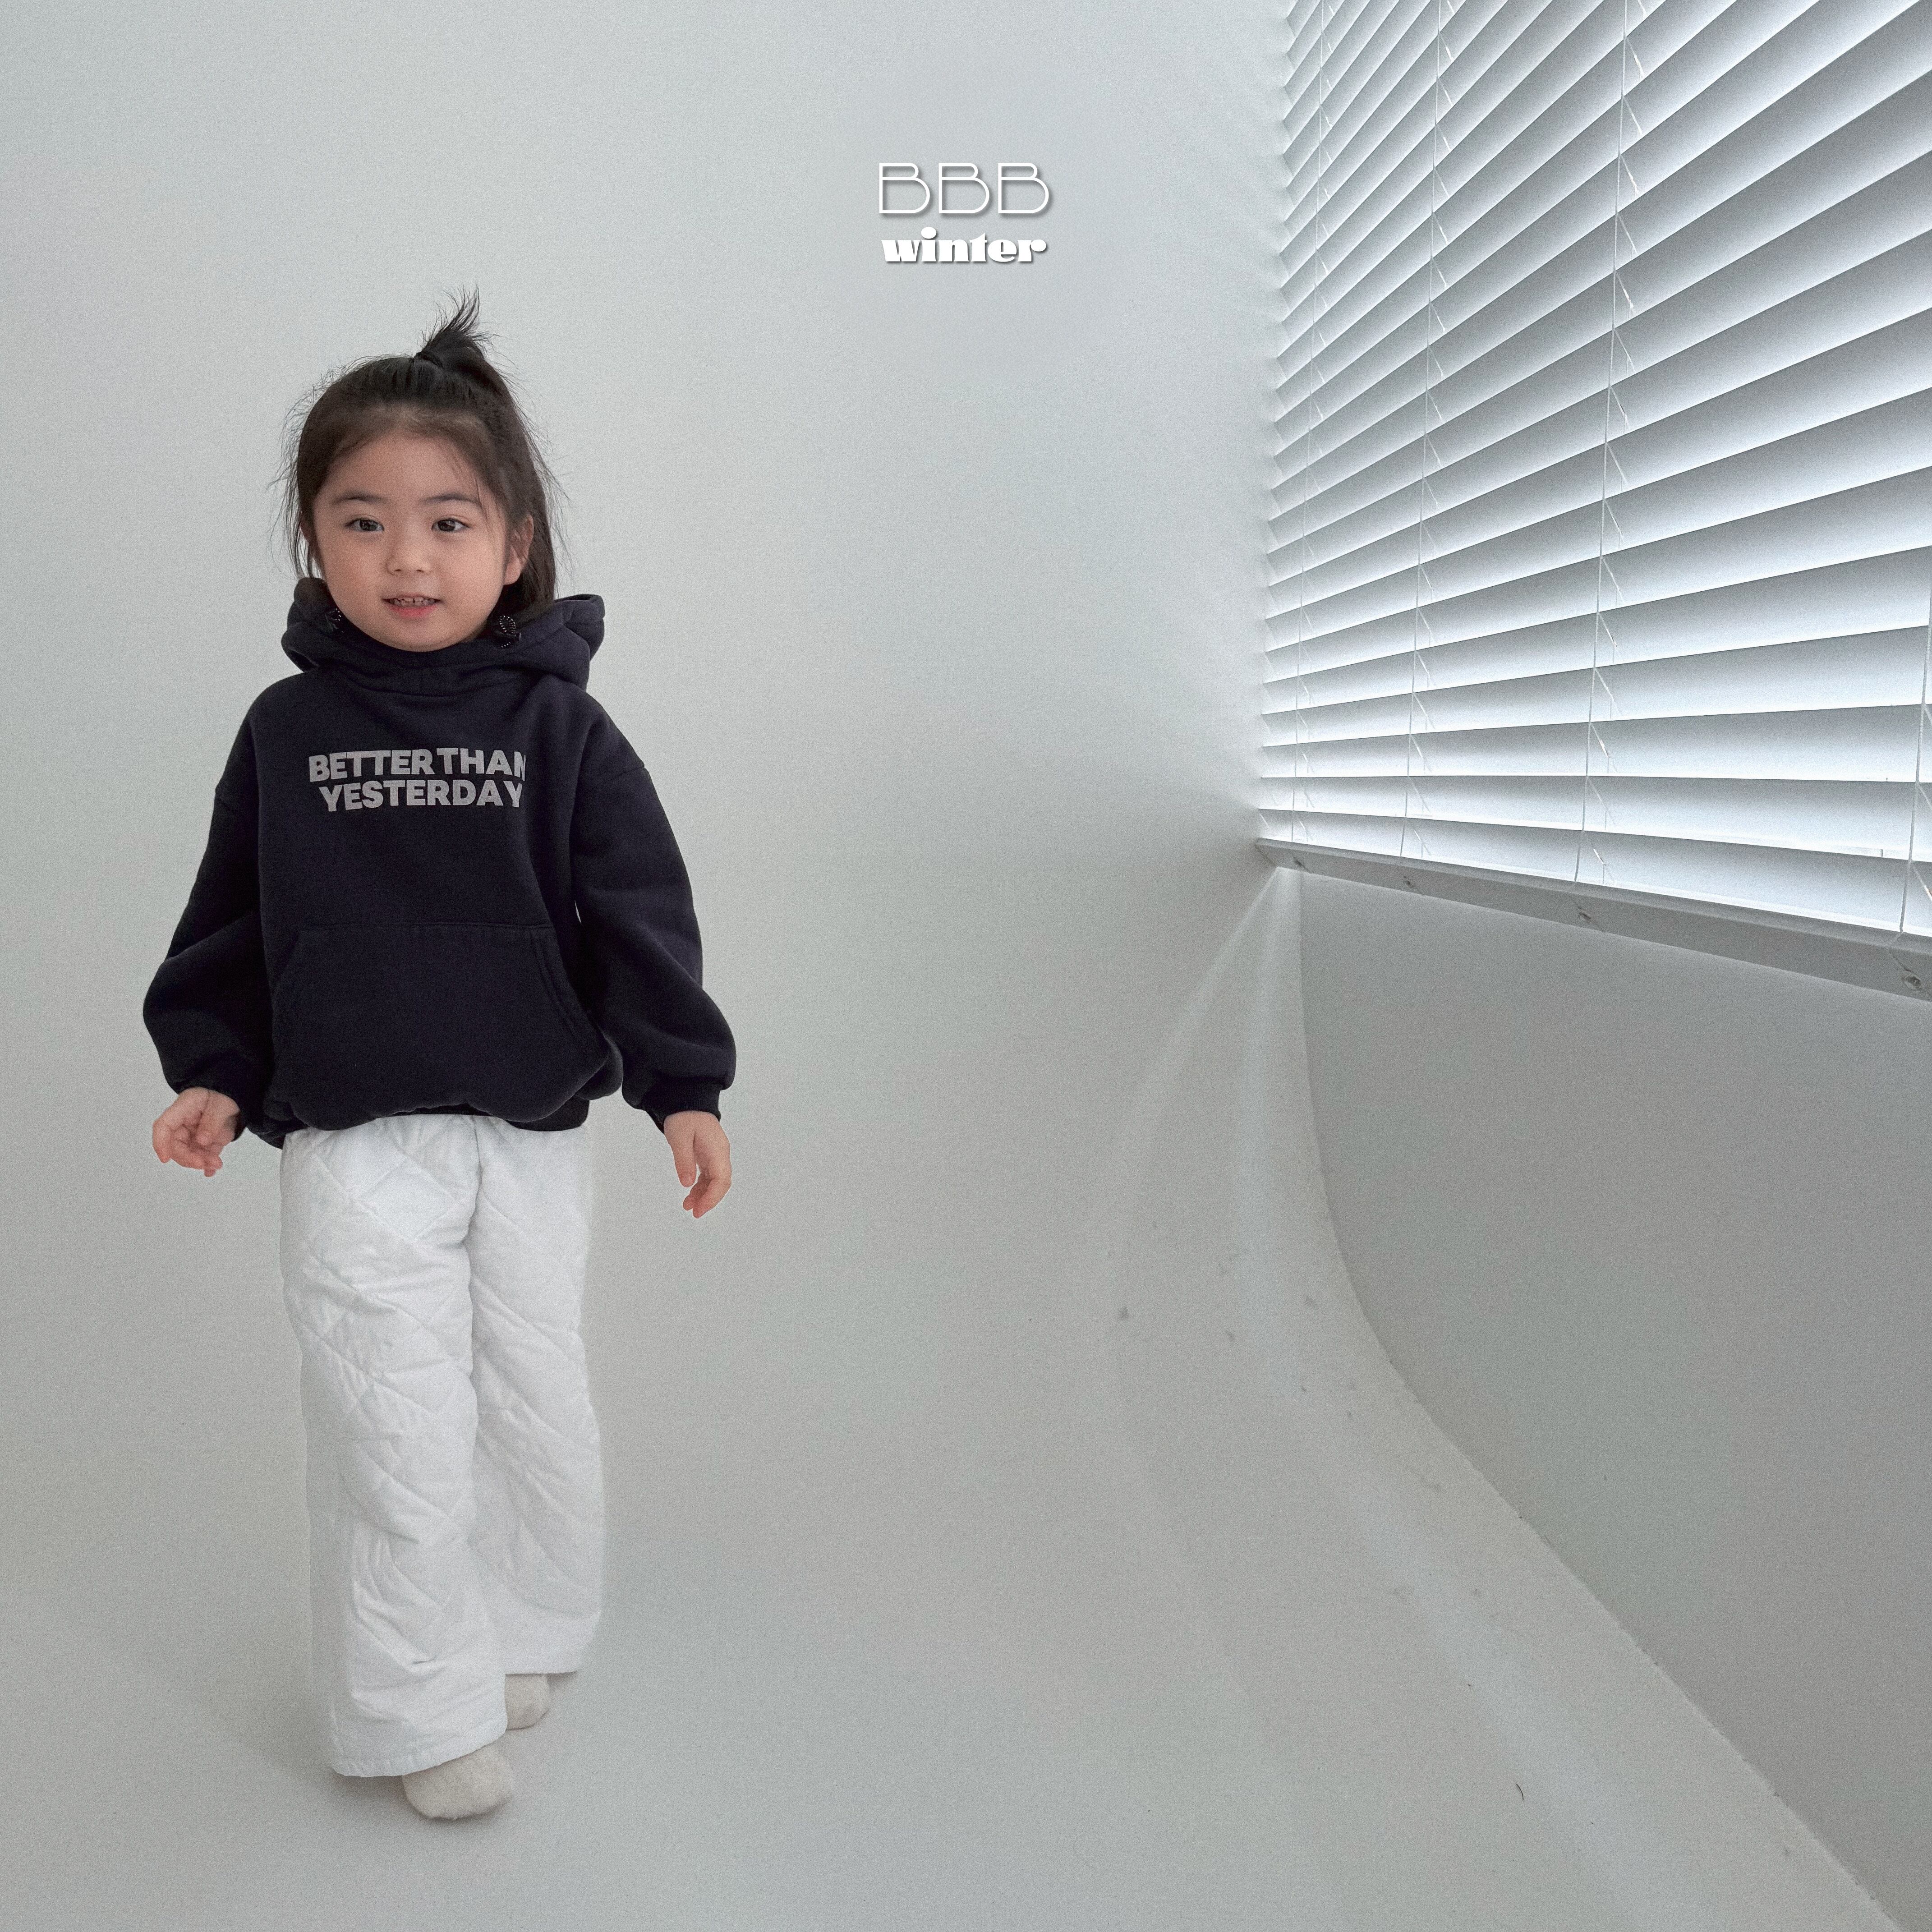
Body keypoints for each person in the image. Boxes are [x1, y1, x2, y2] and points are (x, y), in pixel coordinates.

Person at [142, 294, 736, 1821]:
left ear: (514, 544)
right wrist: (212, 1065)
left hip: (528, 1126)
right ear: (315, 544)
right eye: (364, 521)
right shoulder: (286, 730)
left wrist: (682, 1083)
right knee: (390, 1419)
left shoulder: (566, 733)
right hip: (355, 1138)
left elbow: (639, 913)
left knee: (533, 1395)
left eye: (447, 521)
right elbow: (232, 915)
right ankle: (415, 1709)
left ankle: (518, 1630)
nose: (407, 558)